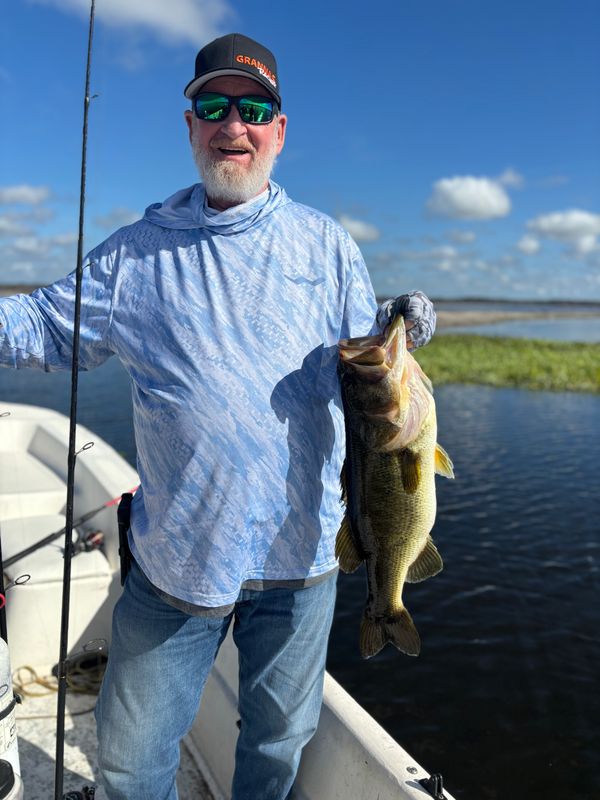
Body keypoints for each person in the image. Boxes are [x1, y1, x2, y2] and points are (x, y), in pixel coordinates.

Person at [0, 33, 436, 800]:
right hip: (178, 559)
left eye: (254, 107)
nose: (233, 124)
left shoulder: (327, 246)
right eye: (213, 105)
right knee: (133, 763)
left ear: (279, 129)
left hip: (304, 558)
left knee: (279, 742)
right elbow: (40, 326)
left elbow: (369, 353)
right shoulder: (135, 255)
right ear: (190, 125)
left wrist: (398, 322)